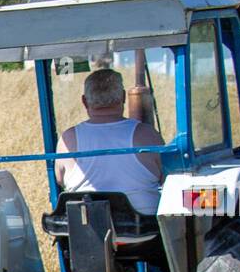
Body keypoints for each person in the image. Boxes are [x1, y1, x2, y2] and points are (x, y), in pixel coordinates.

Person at [54, 69, 165, 216]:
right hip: (145, 229)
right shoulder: (147, 135)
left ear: (84, 101)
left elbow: (59, 179)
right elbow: (167, 177)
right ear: (124, 97)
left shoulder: (68, 139)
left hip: (86, 231)